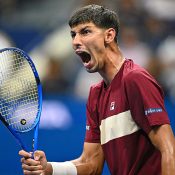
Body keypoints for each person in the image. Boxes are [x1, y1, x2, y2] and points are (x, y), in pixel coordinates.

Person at [19, 4, 175, 175]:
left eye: (85, 32)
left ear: (109, 35)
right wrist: (48, 168)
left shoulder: (135, 79)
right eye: (73, 35)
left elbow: (168, 150)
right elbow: (91, 164)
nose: (75, 41)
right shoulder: (95, 95)